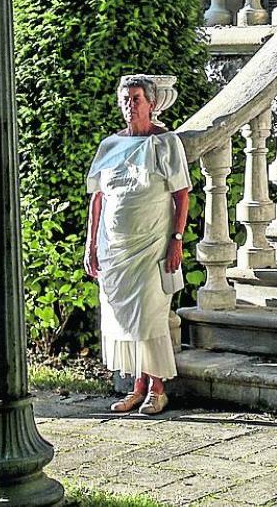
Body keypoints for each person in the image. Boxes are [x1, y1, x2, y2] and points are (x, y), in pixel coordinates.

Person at [83, 75, 190, 415]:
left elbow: (181, 194)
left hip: (152, 244)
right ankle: (137, 386)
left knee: (149, 315)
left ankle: (157, 388)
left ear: (152, 104)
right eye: (126, 99)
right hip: (114, 247)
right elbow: (97, 198)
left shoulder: (166, 143)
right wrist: (90, 244)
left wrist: (176, 240)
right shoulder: (109, 146)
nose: (130, 105)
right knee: (124, 320)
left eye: (137, 99)